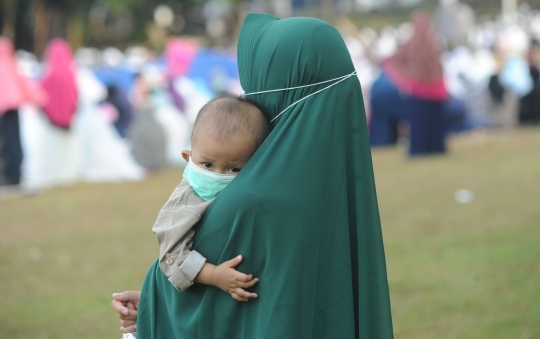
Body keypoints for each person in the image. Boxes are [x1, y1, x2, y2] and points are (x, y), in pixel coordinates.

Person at [113, 13, 393, 338]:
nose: (251, 96)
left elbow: (195, 290)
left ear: (280, 87)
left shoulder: (250, 199)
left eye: (257, 83)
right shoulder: (344, 181)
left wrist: (153, 305)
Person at [154, 94, 268, 297]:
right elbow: (172, 255)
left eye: (233, 169)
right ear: (187, 158)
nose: (217, 175)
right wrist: (214, 275)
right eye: (207, 165)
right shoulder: (184, 204)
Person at [382, 11, 449, 156]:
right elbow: (396, 61)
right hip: (421, 90)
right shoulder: (420, 44)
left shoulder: (431, 43)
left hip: (427, 90)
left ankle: (430, 149)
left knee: (428, 122)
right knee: (422, 123)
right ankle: (428, 149)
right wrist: (407, 78)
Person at [0, 37, 46, 187]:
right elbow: (26, 86)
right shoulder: (11, 64)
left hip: (5, 113)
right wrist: (41, 99)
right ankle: (15, 178)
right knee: (15, 144)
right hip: (13, 110)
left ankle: (9, 179)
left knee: (6, 146)